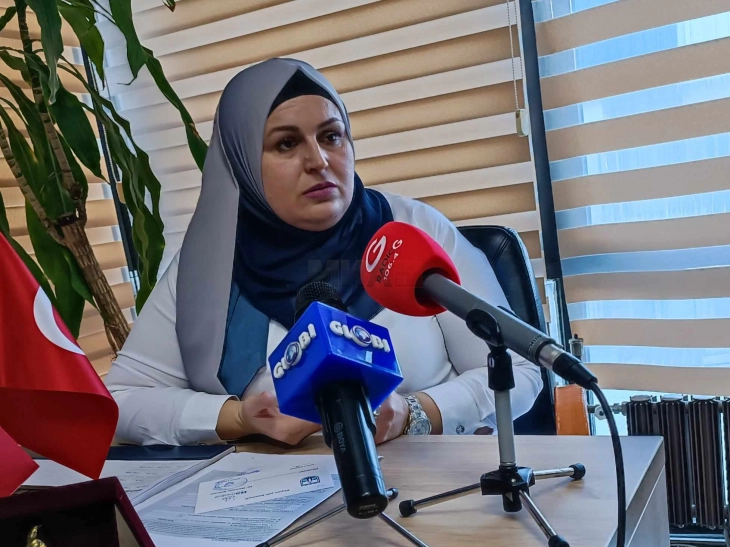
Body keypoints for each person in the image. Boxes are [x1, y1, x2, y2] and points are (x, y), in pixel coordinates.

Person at [104, 58, 542, 447]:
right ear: (242, 163)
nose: (318, 160)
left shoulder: (412, 229)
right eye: (286, 144)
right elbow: (121, 401)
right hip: (277, 496)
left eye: (331, 136)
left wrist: (415, 413)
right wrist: (238, 418)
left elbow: (521, 371)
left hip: (432, 481)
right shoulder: (208, 268)